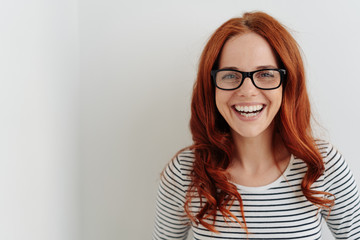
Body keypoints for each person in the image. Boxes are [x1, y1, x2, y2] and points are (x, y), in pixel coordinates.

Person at [152, 11, 360, 239]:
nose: (247, 91)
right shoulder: (185, 172)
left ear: (287, 84)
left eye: (266, 74)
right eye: (230, 75)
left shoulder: (322, 166)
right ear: (211, 87)